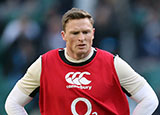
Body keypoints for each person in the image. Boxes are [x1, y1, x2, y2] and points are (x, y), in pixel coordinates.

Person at [5, 8, 159, 115]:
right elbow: (12, 103)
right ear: (63, 35)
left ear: (92, 34)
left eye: (85, 32)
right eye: (75, 33)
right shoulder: (44, 64)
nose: (81, 38)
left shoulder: (113, 63)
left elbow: (149, 99)